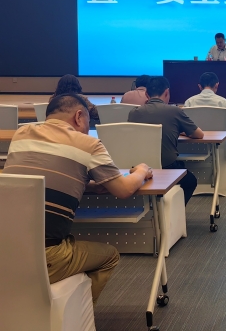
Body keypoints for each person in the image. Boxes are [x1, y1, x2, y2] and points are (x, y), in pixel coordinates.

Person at [2, 94, 153, 304]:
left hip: (5, 249)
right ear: (79, 117)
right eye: (88, 124)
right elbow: (124, 189)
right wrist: (142, 170)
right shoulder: (88, 144)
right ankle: (77, 315)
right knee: (109, 256)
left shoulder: (21, 134)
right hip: (45, 256)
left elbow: (38, 178)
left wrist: (85, 184)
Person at [127, 76, 200, 204]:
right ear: (167, 92)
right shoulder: (174, 111)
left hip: (139, 167)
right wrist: (180, 130)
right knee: (190, 181)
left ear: (147, 94)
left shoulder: (134, 112)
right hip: (167, 167)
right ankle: (172, 211)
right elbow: (199, 134)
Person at [184, 72, 226, 163]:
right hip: (219, 145)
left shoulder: (189, 102)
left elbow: (184, 127)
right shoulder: (224, 102)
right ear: (217, 85)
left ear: (199, 86)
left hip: (194, 145)